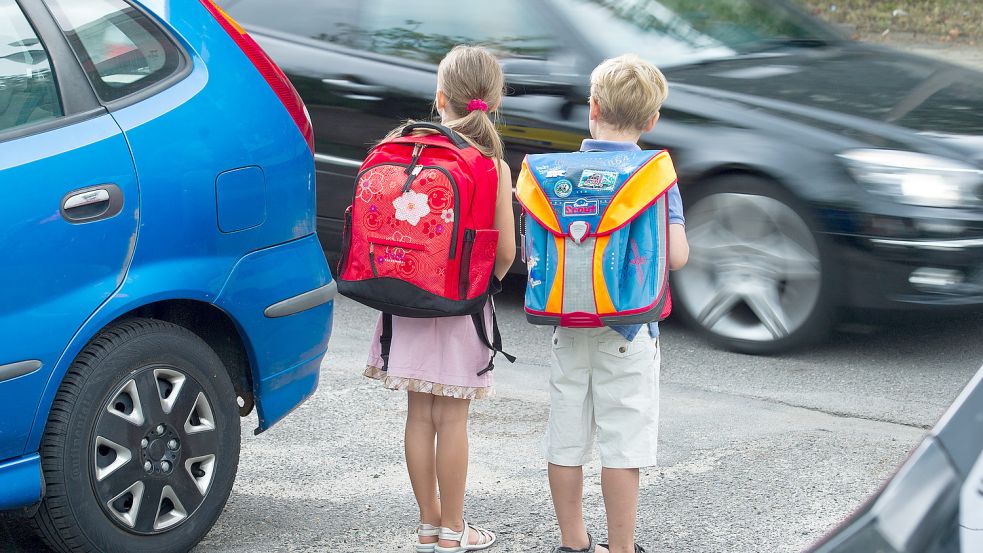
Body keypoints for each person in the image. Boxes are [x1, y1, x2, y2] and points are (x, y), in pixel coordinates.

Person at [362, 45, 515, 553]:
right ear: (492, 102)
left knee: (418, 416)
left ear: (439, 96)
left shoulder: (400, 146)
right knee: (452, 418)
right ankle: (454, 528)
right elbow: (506, 255)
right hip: (461, 308)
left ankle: (428, 524)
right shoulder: (491, 164)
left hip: (402, 298)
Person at [546, 54, 689, 553]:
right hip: (629, 331)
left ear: (593, 107)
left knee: (566, 439)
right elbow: (676, 256)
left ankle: (573, 543)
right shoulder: (654, 175)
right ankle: (621, 548)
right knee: (622, 446)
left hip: (569, 320)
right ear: (652, 121)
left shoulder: (558, 174)